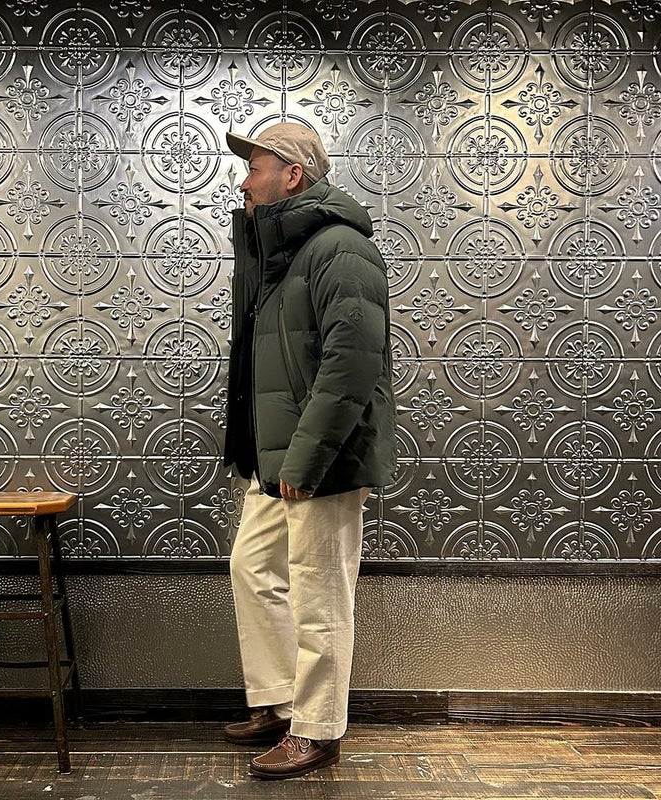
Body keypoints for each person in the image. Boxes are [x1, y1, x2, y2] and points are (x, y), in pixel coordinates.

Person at [221, 121, 396, 780]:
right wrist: (252, 234)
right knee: (252, 567)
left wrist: (305, 459)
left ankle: (317, 730)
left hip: (320, 460)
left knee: (320, 595)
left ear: (292, 175)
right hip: (276, 454)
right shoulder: (281, 252)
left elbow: (352, 366)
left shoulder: (340, 249)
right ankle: (279, 700)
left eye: (255, 168)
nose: (244, 181)